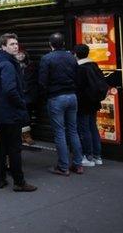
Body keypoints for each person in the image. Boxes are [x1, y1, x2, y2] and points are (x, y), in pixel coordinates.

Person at [0, 33, 38, 192]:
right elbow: (10, 90)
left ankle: (0, 178)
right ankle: (19, 181)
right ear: (3, 46)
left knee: (0, 147)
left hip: (0, 113)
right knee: (14, 148)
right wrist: (21, 105)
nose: (15, 46)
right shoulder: (8, 65)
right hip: (10, 114)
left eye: (16, 44)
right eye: (11, 44)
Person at [39, 32, 83, 176]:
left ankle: (63, 166)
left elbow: (42, 81)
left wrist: (45, 94)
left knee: (59, 132)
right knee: (73, 130)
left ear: (50, 44)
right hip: (72, 96)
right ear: (63, 43)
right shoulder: (71, 57)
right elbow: (78, 76)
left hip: (56, 97)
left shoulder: (47, 58)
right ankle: (77, 164)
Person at [73, 44, 108, 166]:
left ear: (76, 54)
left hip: (83, 103)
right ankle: (97, 156)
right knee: (93, 127)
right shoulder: (94, 65)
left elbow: (79, 87)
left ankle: (88, 157)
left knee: (84, 129)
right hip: (94, 102)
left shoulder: (80, 68)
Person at [16, 48, 38, 146]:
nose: (20, 56)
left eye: (22, 54)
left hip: (28, 95)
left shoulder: (31, 65)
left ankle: (27, 135)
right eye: (18, 54)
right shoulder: (13, 65)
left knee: (27, 115)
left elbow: (34, 79)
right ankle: (20, 136)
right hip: (18, 94)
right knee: (19, 116)